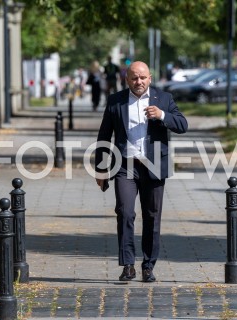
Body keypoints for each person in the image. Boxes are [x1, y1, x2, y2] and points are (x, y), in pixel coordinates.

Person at [95, 61, 188, 282]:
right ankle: (128, 265)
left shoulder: (163, 99)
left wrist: (163, 115)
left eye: (143, 78)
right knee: (125, 213)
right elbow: (104, 136)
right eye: (134, 78)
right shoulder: (115, 101)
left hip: (154, 166)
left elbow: (183, 125)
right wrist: (100, 169)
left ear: (150, 78)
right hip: (125, 166)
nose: (139, 82)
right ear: (126, 80)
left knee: (152, 217)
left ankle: (148, 266)